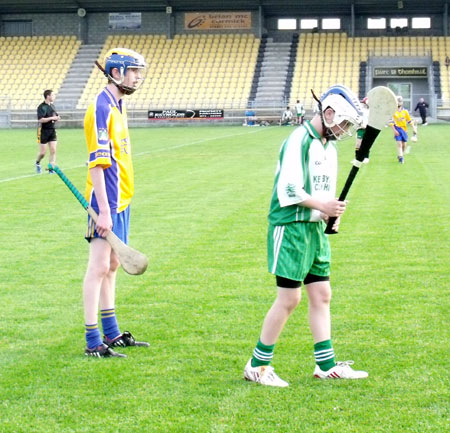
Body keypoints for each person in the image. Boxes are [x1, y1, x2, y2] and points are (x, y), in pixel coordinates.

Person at [243, 84, 369, 387]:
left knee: (322, 295)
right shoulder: (299, 140)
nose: (345, 129)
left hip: (313, 229)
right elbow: (289, 191)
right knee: (289, 298)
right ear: (328, 113)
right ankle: (257, 365)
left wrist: (328, 214)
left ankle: (325, 365)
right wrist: (321, 206)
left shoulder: (330, 146)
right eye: (344, 122)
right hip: (290, 227)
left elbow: (321, 193)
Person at [83, 48, 149, 358]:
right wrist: (105, 212)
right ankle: (93, 340)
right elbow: (97, 164)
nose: (138, 76)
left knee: (112, 265)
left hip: (121, 201)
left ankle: (111, 333)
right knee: (98, 267)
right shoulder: (102, 107)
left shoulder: (117, 104)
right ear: (117, 72)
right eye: (134, 70)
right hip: (105, 203)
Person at [35, 89, 60, 174]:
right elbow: (41, 120)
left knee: (53, 150)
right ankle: (37, 163)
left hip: (52, 130)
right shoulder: (41, 107)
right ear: (48, 96)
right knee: (43, 153)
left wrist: (57, 118)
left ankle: (51, 168)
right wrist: (52, 118)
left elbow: (54, 115)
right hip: (43, 131)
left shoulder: (52, 106)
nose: (54, 97)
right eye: (52, 95)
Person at [389, 95, 417, 164]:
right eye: (397, 101)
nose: (399, 103)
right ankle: (401, 158)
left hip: (404, 130)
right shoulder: (393, 112)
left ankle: (400, 155)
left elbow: (409, 121)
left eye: (400, 101)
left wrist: (414, 128)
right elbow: (391, 122)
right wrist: (394, 130)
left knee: (404, 145)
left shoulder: (405, 112)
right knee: (399, 144)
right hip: (397, 129)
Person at [354, 96, 370, 164]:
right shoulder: (361, 111)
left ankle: (366, 157)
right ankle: (357, 159)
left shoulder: (371, 111)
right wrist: (360, 124)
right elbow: (357, 118)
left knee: (366, 144)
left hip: (367, 129)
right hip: (360, 128)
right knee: (358, 144)